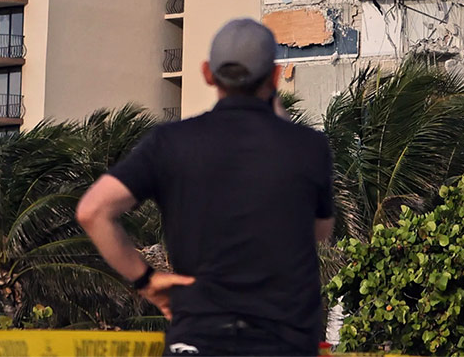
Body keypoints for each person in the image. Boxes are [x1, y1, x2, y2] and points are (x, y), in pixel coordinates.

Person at [77, 18, 335, 356]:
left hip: (198, 338)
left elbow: (93, 211)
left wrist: (146, 281)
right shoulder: (309, 147)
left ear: (207, 74)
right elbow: (319, 232)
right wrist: (277, 113)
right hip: (282, 342)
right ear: (274, 77)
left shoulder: (170, 143)